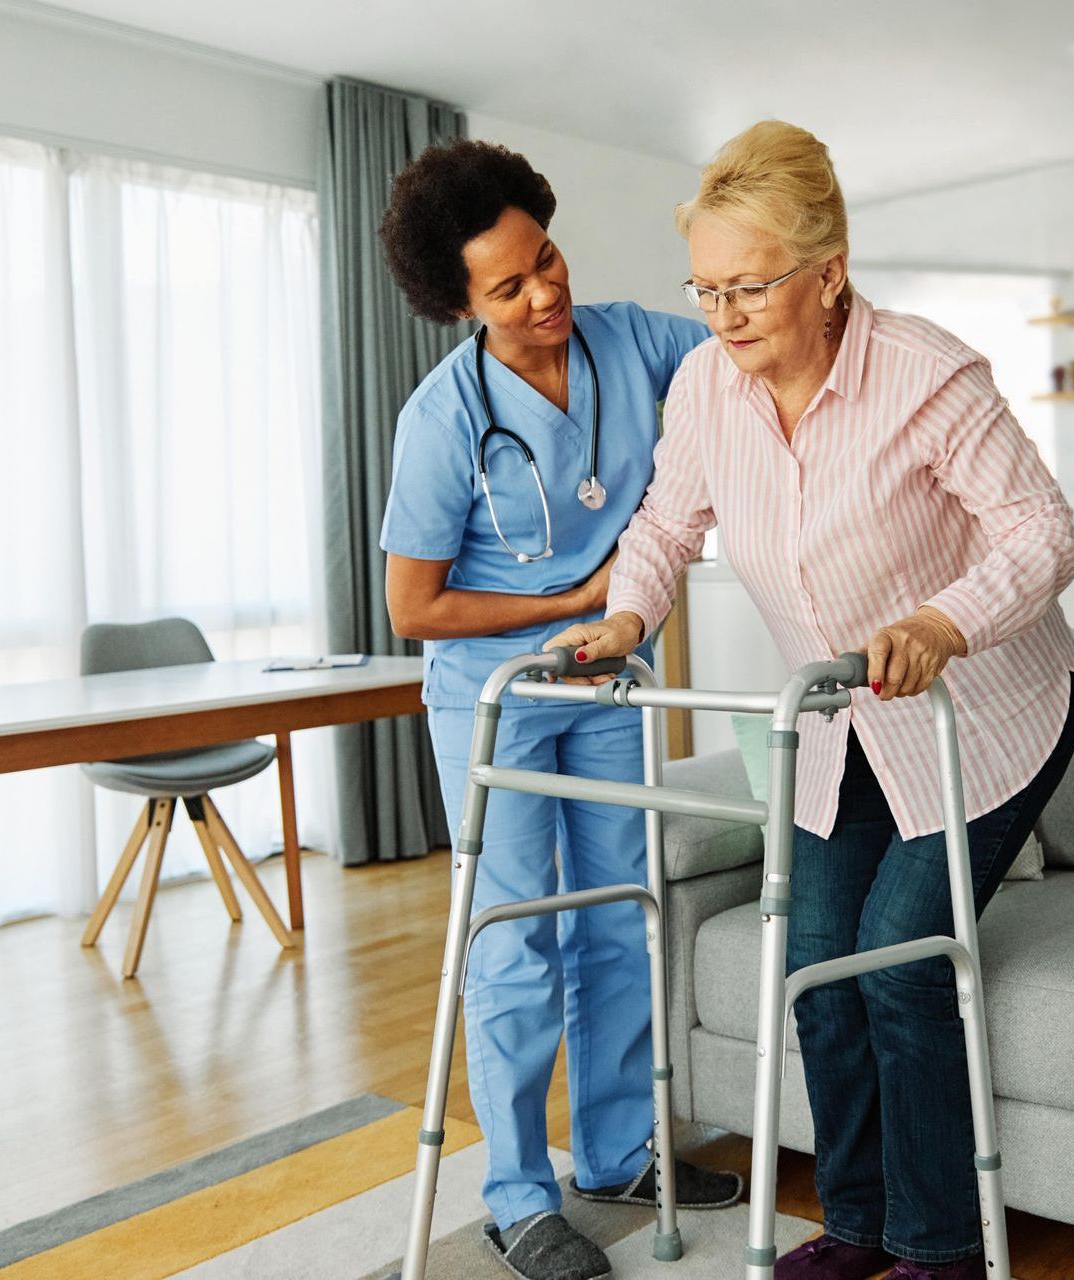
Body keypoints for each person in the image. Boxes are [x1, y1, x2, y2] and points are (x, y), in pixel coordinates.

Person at [548, 121, 1074, 1280]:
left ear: (828, 271)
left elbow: (1045, 531)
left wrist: (945, 621)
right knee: (810, 960)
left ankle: (940, 1251)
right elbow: (664, 523)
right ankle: (854, 1229)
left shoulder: (927, 373)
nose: (725, 313)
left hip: (985, 714)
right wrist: (627, 616)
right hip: (840, 727)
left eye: (749, 285)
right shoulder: (705, 386)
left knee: (897, 958)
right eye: (705, 288)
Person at [377, 139, 739, 1280]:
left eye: (547, 259)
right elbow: (414, 606)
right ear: (461, 304)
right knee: (517, 945)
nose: (546, 294)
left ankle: (621, 1147)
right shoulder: (444, 418)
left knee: (618, 918)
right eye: (510, 287)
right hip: (500, 706)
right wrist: (577, 593)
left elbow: (740, 358)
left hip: (610, 686)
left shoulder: (639, 340)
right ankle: (519, 1194)